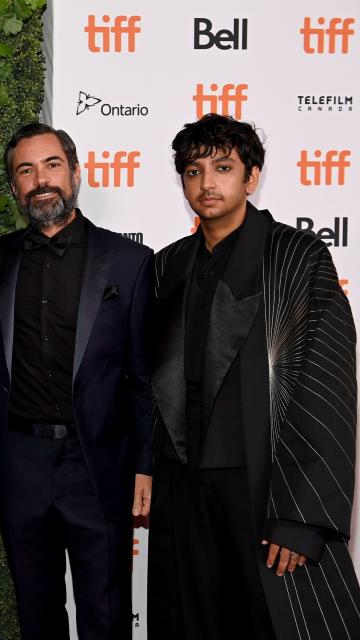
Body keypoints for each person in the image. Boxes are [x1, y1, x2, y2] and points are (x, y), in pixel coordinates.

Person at [149, 113, 360, 639]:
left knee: (275, 624)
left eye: (223, 167)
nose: (207, 183)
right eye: (193, 171)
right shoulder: (167, 266)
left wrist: (300, 516)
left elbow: (326, 386)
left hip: (265, 489)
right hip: (185, 490)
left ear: (252, 175)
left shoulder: (295, 257)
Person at [0, 123, 153, 639]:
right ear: (14, 187)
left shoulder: (129, 262)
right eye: (26, 170)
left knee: (106, 613)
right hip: (20, 463)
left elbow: (145, 378)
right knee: (37, 614)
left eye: (52, 165)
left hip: (98, 464)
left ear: (75, 173)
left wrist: (145, 467)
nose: (41, 180)